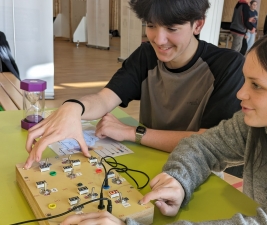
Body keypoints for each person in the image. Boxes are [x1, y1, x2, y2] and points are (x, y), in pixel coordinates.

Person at [60, 27, 267, 225]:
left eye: (257, 86)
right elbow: (204, 146)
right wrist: (178, 180)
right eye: (151, 25)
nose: (240, 93)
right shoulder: (255, 125)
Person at [24, 0, 245, 172]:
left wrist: (133, 132)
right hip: (150, 161)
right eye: (150, 25)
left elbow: (209, 141)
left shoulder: (228, 65)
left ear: (198, 24)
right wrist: (73, 107)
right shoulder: (146, 56)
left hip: (202, 171)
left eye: (171, 28)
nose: (158, 39)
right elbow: (105, 98)